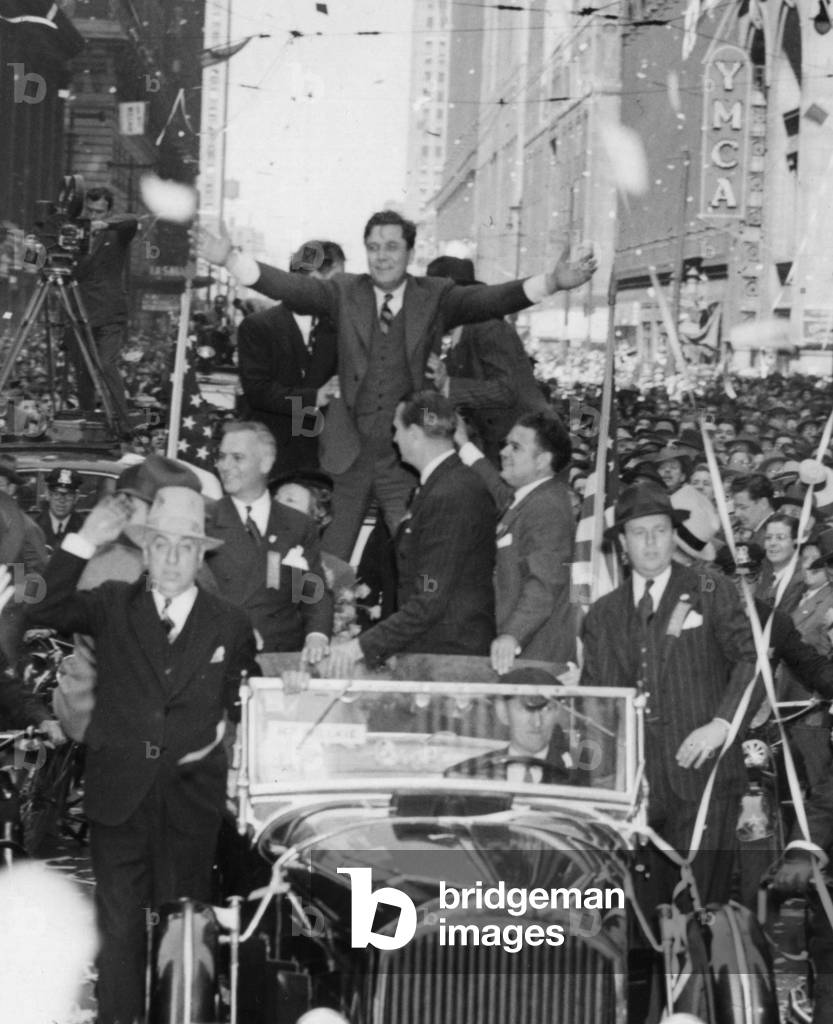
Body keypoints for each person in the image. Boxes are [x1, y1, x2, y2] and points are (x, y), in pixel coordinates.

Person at [197, 210, 597, 559]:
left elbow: (492, 300)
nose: (382, 255)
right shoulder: (343, 291)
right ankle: (311, 634)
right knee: (322, 553)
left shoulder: (435, 296)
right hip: (346, 454)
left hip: (404, 457)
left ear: (409, 252)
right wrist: (231, 259)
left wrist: (553, 282)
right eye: (373, 247)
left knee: (412, 552)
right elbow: (292, 288)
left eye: (391, 246)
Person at [26, 486, 258, 1024]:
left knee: (183, 933)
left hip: (191, 805)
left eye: (185, 547)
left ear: (202, 555)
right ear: (145, 550)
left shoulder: (230, 623)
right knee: (120, 932)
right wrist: (84, 540)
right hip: (118, 798)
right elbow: (39, 600)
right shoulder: (110, 604)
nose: (173, 559)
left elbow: (242, 701)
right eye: (162, 545)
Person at [579, 483, 758, 905]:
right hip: (638, 790)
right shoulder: (604, 613)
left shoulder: (711, 590)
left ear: (673, 534)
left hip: (705, 779)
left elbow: (752, 663)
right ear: (622, 543)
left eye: (660, 530)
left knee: (701, 912)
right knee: (645, 920)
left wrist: (722, 724)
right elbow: (595, 704)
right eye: (639, 532)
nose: (651, 542)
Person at [326, 391, 496, 675]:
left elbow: (431, 592)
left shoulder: (451, 493)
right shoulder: (441, 486)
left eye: (397, 429)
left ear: (415, 433)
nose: (394, 439)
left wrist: (358, 648)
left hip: (449, 658)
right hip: (433, 651)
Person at [456, 410, 577, 671]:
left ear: (542, 460)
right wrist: (463, 444)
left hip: (534, 660)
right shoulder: (528, 498)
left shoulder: (547, 507)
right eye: (505, 444)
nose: (503, 452)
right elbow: (495, 487)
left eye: (516, 447)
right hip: (518, 657)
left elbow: (544, 581)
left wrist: (512, 635)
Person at [206, 421, 333, 658]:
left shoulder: (298, 525)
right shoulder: (204, 519)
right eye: (222, 457)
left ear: (265, 463)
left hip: (277, 660)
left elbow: (312, 591)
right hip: (217, 654)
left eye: (237, 457)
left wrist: (316, 636)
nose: (225, 466)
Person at [424, 255, 549, 465]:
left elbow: (506, 390)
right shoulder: (460, 334)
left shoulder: (488, 326)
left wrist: (448, 385)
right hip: (500, 447)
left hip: (528, 450)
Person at [236, 240, 341, 473]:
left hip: (320, 462)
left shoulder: (339, 330)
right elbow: (258, 392)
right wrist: (314, 397)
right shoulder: (257, 327)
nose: (340, 291)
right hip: (268, 457)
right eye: (336, 283)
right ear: (311, 280)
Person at [69, 185, 137, 434]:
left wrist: (103, 225)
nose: (94, 215)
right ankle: (87, 418)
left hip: (109, 312)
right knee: (83, 369)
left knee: (106, 364)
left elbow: (131, 220)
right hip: (79, 310)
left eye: (100, 211)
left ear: (108, 211)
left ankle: (122, 422)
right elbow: (41, 258)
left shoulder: (117, 233)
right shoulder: (73, 232)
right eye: (90, 210)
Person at [447, 666, 573, 782]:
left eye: (547, 709)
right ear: (503, 712)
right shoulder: (467, 775)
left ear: (558, 712)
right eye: (524, 709)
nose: (537, 722)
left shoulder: (577, 777)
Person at [35, 468, 84, 552]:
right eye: (56, 494)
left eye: (68, 495)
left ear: (76, 497)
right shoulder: (32, 526)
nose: (62, 501)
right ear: (47, 494)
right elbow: (16, 562)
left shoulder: (85, 529)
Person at [730, 472, 776, 546]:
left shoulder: (771, 535)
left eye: (743, 507)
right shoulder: (760, 532)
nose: (737, 514)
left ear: (763, 503)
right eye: (735, 507)